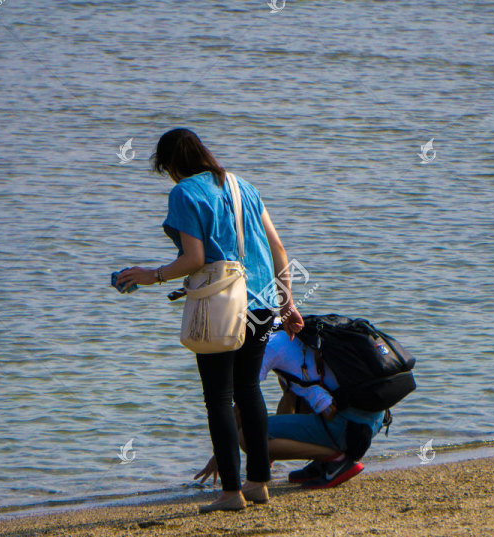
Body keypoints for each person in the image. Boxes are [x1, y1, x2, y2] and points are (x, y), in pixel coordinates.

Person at [116, 128, 303, 513]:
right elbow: (278, 247)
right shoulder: (243, 186)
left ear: (170, 165)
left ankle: (231, 493)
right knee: (249, 389)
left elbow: (195, 260)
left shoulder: (184, 192)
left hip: (222, 306)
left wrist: (152, 275)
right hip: (263, 302)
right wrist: (288, 304)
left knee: (218, 396)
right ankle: (258, 483)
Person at [194, 324, 387, 489]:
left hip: (348, 426)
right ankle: (323, 462)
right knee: (300, 398)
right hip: (371, 421)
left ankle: (336, 459)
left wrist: (221, 455)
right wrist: (268, 456)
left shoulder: (266, 347)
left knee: (248, 437)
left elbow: (241, 405)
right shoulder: (290, 332)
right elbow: (290, 400)